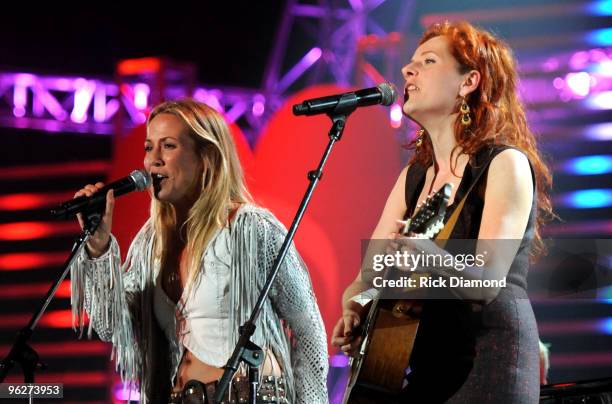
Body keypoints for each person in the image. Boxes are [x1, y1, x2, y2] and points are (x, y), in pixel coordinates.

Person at [331, 21, 554, 403]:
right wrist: (355, 305)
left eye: (428, 61)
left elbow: (487, 282)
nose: (406, 70)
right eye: (411, 62)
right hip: (426, 366)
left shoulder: (505, 164)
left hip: (489, 361)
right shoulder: (413, 179)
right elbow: (367, 277)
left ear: (468, 82)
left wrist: (426, 254)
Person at [69, 99, 329, 403]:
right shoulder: (149, 244)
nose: (153, 160)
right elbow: (108, 324)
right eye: (148, 148)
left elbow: (308, 328)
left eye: (168, 146)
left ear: (205, 157)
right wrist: (99, 248)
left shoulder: (250, 229)